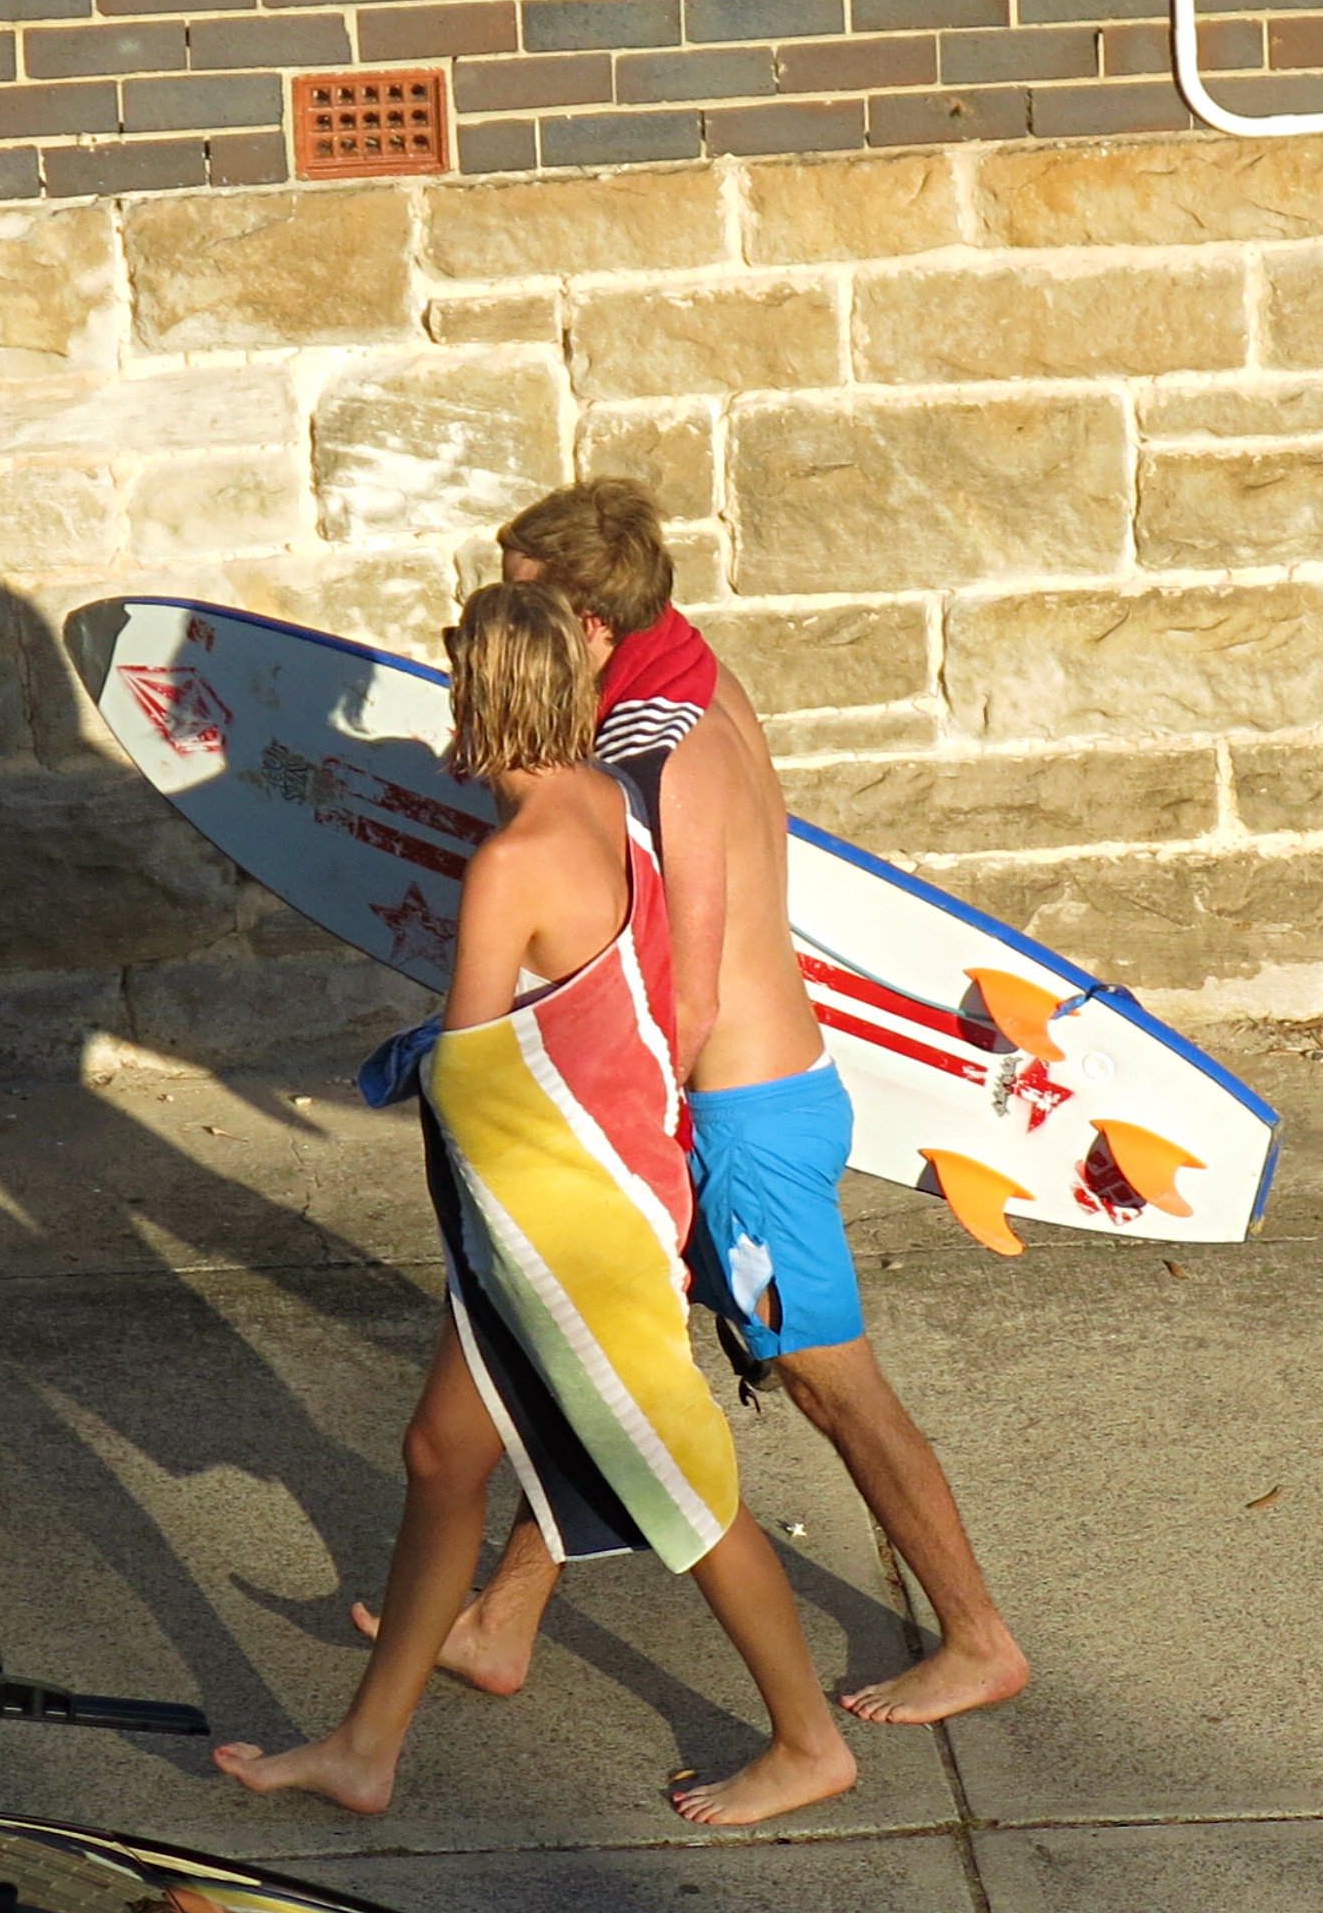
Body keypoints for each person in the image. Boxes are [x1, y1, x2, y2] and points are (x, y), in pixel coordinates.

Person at [360, 480, 1030, 1727]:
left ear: (591, 624)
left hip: (737, 1127)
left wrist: (623, 1147)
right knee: (600, 1355)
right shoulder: (687, 677)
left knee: (828, 1382)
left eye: (523, 601)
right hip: (750, 1102)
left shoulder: (652, 750)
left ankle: (977, 1636)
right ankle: (501, 1620)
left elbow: (684, 994)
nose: (503, 618)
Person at [214, 579, 855, 1828]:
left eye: (458, 685)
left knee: (686, 1491)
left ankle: (808, 1739)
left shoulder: (511, 860)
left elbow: (468, 1065)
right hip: (579, 1196)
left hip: (569, 1224)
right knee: (440, 1452)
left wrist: (403, 1060)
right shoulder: (609, 801)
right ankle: (365, 1747)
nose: (447, 708)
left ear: (484, 699)